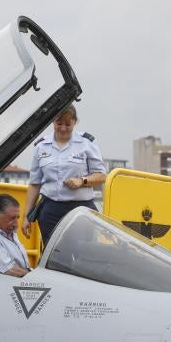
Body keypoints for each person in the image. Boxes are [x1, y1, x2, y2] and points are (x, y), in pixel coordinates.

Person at [22, 104, 106, 244]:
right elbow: (34, 184)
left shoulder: (87, 143)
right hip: (51, 210)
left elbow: (101, 176)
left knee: (83, 252)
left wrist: (82, 181)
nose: (62, 128)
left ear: (75, 122)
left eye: (68, 124)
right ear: (52, 121)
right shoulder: (41, 146)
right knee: (52, 252)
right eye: (58, 123)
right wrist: (26, 217)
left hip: (81, 209)